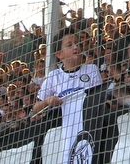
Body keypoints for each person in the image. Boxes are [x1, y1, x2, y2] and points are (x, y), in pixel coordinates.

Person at [33, 28, 102, 164]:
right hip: (63, 135)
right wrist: (47, 101)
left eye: (77, 43)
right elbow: (35, 109)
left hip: (88, 130)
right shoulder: (54, 77)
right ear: (59, 54)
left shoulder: (92, 70)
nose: (76, 47)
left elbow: (99, 99)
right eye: (69, 45)